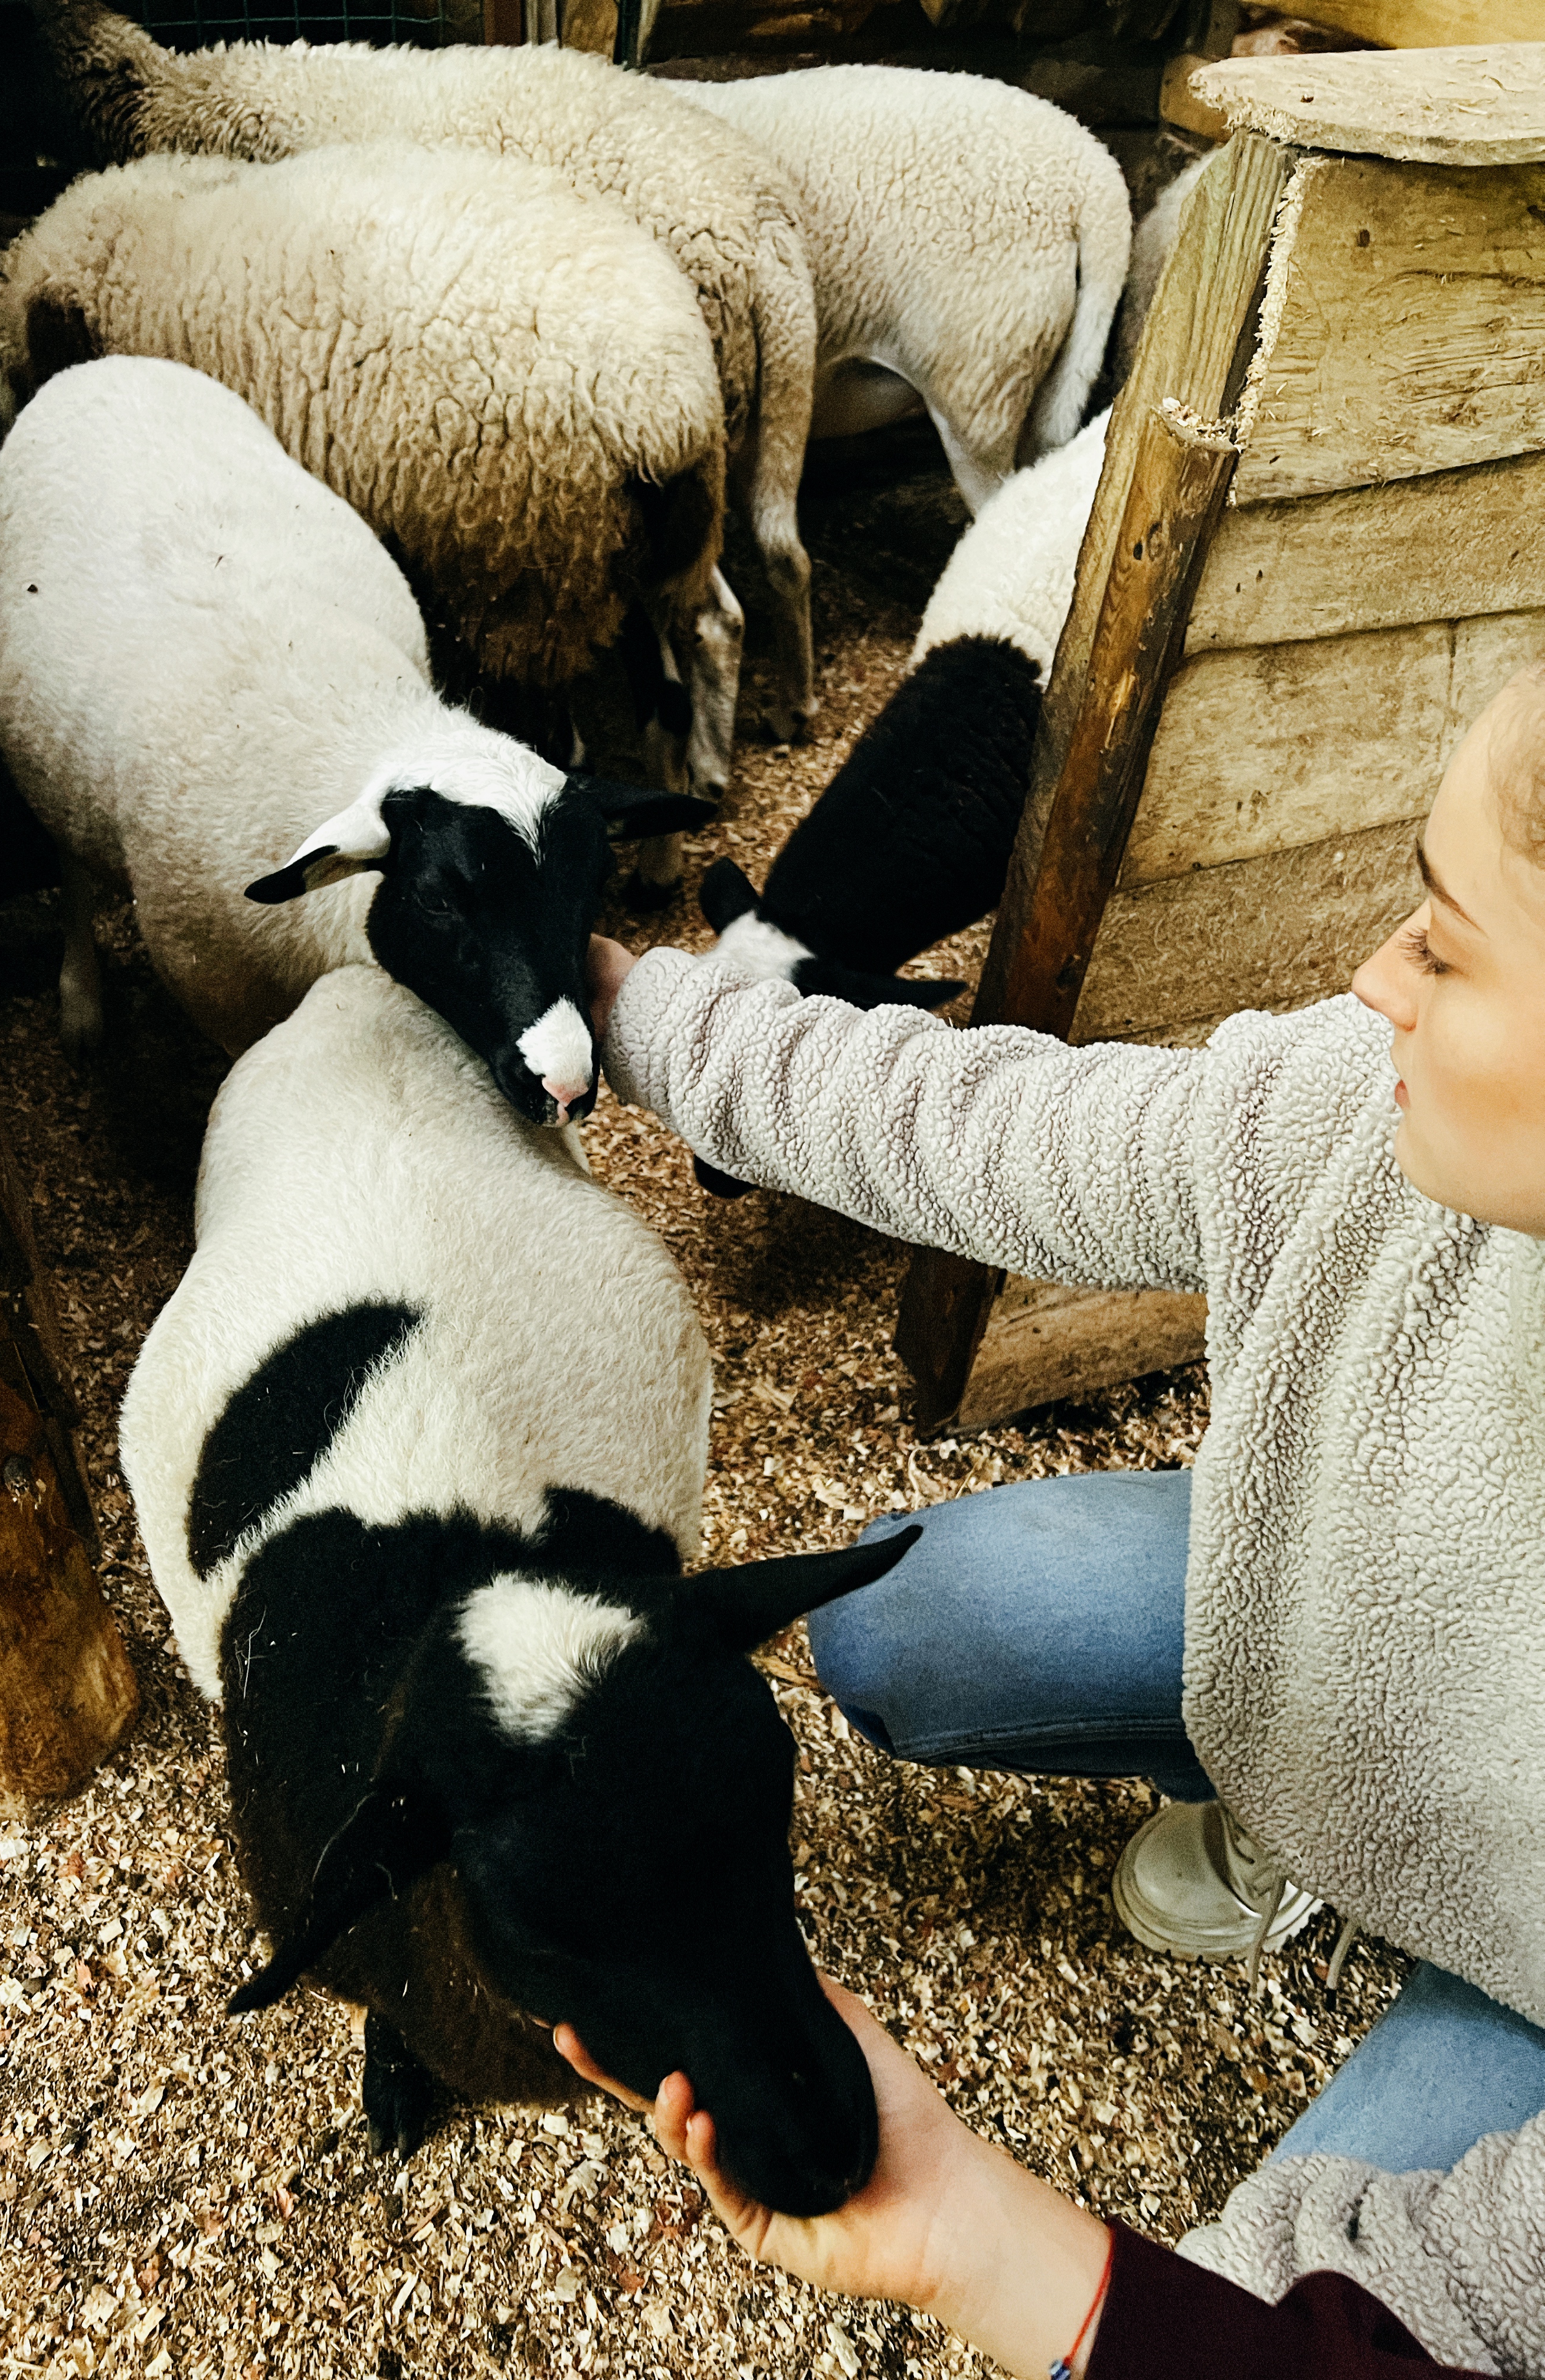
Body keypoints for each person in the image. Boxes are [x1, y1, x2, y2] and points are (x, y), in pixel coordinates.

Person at [564, 662, 1545, 2374]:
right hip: (1373, 1619)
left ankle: (1434, 1928)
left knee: (1261, 2304)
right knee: (892, 1614)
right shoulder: (1360, 1117)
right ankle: (1298, 1821)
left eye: (1446, 945)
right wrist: (626, 1009)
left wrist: (1018, 2255)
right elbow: (996, 1124)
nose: (1371, 974)